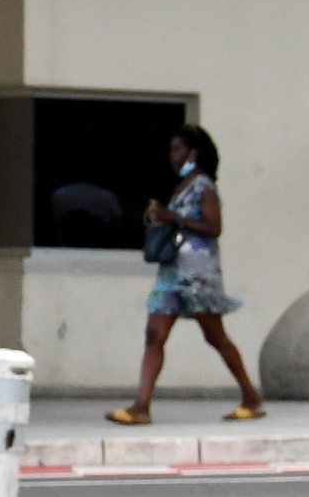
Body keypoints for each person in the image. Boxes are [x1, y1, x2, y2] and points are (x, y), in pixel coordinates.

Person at [108, 125, 264, 425]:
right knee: (154, 336)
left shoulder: (204, 186)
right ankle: (141, 407)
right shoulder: (182, 186)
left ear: (193, 153)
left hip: (196, 274)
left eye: (178, 149)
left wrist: (173, 217)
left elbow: (213, 227)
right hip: (172, 272)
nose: (173, 156)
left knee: (215, 337)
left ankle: (251, 397)